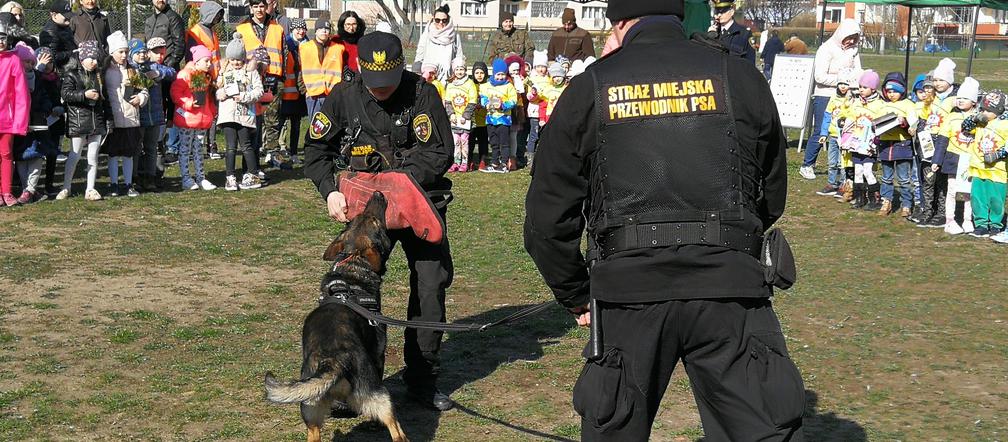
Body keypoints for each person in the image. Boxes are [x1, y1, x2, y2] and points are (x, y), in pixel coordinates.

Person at [525, 1, 802, 439]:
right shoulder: (740, 76)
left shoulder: (591, 86)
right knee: (761, 428)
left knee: (614, 426)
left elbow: (547, 216)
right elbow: (771, 191)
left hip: (628, 295)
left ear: (619, 24)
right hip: (728, 289)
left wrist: (576, 294)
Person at [303, 31, 456, 413]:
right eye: (375, 85)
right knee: (350, 294)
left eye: (388, 84)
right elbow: (316, 151)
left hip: (418, 204)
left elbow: (440, 151)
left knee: (430, 286)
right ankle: (348, 382)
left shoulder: (423, 93)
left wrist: (397, 183)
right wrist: (330, 192)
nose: (381, 91)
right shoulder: (343, 96)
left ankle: (422, 379)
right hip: (364, 214)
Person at [800, 18, 861, 181]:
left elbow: (858, 71)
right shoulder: (826, 49)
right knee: (822, 130)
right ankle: (807, 164)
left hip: (847, 97)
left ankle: (845, 166)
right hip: (825, 95)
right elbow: (819, 76)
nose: (851, 41)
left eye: (855, 38)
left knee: (846, 130)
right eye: (849, 37)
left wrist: (852, 82)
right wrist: (842, 80)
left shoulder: (853, 50)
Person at [237, 0, 288, 168]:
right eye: (256, 6)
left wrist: (283, 76)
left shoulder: (277, 28)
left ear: (266, 8)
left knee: (273, 120)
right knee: (253, 120)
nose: (259, 9)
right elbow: (237, 55)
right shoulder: (241, 28)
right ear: (251, 8)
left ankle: (272, 154)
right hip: (251, 79)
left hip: (274, 78)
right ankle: (253, 159)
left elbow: (285, 52)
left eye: (262, 6)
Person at [56, 40, 108, 202]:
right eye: (90, 58)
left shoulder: (99, 77)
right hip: (78, 121)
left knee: (93, 156)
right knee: (75, 155)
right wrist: (84, 95)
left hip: (96, 122)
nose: (93, 61)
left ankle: (90, 188)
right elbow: (66, 95)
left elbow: (104, 99)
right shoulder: (71, 75)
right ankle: (66, 186)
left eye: (96, 58)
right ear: (82, 58)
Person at [103, 31, 149, 197]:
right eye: (120, 52)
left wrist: (141, 98)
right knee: (113, 153)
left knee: (129, 154)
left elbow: (143, 90)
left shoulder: (133, 71)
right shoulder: (105, 71)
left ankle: (129, 184)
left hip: (131, 119)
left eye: (126, 52)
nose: (124, 55)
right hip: (114, 119)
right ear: (112, 52)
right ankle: (114, 184)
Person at [216, 33, 263, 191]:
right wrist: (220, 94)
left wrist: (243, 96)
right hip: (228, 114)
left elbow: (258, 92)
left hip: (244, 115)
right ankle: (230, 176)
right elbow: (218, 89)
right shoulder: (225, 73)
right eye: (233, 59)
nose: (236, 63)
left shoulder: (251, 72)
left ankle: (252, 174)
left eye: (239, 60)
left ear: (244, 59)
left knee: (246, 145)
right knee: (230, 147)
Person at [931, 77, 978, 235]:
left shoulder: (979, 119)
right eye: (959, 98)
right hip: (953, 159)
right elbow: (942, 140)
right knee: (951, 190)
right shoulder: (951, 117)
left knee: (968, 192)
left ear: (973, 101)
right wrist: (936, 160)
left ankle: (967, 219)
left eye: (965, 98)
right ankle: (949, 221)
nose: (961, 101)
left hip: (970, 161)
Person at [171, 45, 218, 191]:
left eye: (209, 61)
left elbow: (208, 99)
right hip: (188, 119)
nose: (209, 64)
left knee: (198, 149)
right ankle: (186, 177)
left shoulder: (205, 77)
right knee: (185, 149)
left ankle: (201, 177)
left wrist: (211, 112)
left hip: (201, 121)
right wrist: (189, 103)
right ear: (197, 62)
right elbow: (176, 93)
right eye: (206, 61)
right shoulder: (185, 75)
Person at [963, 92, 1007, 238]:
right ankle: (981, 224)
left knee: (996, 198)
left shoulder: (1005, 125)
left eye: (988, 111)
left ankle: (996, 224)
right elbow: (965, 127)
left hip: (997, 169)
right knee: (978, 197)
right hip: (978, 167)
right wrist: (974, 118)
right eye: (982, 109)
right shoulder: (980, 123)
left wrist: (998, 155)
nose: (985, 113)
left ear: (998, 111)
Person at [908, 76, 948, 228]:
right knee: (927, 181)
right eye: (924, 89)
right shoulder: (919, 106)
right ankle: (927, 211)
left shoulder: (943, 104)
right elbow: (915, 122)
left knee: (941, 181)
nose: (927, 92)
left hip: (941, 145)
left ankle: (941, 212)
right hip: (925, 148)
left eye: (930, 88)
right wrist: (913, 126)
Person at [876, 72, 917, 217]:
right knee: (886, 177)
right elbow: (875, 123)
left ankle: (906, 204)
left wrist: (904, 122)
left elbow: (913, 124)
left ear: (902, 91)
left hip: (902, 145)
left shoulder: (908, 105)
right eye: (889, 91)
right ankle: (886, 201)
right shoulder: (882, 105)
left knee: (904, 178)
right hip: (885, 144)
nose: (892, 94)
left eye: (895, 91)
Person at [815, 69, 855, 198]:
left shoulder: (852, 100)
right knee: (832, 162)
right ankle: (831, 184)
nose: (843, 86)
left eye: (846, 84)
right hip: (833, 135)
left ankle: (844, 185)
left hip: (845, 136)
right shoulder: (833, 99)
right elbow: (827, 116)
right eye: (840, 83)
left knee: (842, 162)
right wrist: (823, 133)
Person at [298, 19, 344, 118]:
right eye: (320, 28)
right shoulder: (305, 48)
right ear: (315, 31)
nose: (324, 31)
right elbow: (300, 70)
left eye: (327, 29)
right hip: (312, 95)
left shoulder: (339, 49)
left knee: (332, 126)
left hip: (332, 95)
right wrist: (304, 91)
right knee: (315, 128)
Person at [479, 58, 516, 173]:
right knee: (494, 143)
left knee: (504, 143)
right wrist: (487, 104)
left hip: (503, 120)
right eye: (498, 74)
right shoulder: (486, 86)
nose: (500, 77)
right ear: (494, 74)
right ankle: (495, 163)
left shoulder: (509, 86)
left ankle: (504, 164)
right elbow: (483, 98)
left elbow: (513, 101)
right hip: (491, 119)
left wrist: (503, 105)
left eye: (503, 74)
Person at [278, 19, 308, 164]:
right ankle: (274, 152)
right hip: (286, 92)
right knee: (279, 124)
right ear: (292, 30)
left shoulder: (308, 46)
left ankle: (294, 153)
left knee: (296, 126)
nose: (301, 31)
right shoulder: (287, 45)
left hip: (300, 93)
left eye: (303, 29)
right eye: (298, 29)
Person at [443, 57, 477, 172]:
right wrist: (451, 114)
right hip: (454, 119)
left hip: (464, 120)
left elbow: (473, 101)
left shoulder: (470, 84)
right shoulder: (451, 84)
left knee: (464, 141)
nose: (459, 72)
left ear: (465, 70)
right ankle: (456, 162)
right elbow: (447, 101)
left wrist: (465, 116)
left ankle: (464, 162)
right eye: (457, 69)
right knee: (455, 141)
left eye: (461, 69)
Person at [414, 4, 462, 83]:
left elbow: (459, 55)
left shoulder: (454, 35)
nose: (441, 22)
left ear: (448, 20)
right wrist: (417, 68)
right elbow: (420, 51)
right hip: (429, 75)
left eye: (444, 20)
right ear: (433, 19)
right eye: (437, 20)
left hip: (447, 77)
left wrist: (458, 71)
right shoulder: (427, 33)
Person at [144, 0, 185, 70]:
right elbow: (146, 43)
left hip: (166, 70)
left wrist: (167, 67)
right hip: (151, 68)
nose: (161, 0)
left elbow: (180, 46)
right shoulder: (149, 20)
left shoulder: (173, 18)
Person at [39, 0, 76, 70]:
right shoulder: (50, 32)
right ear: (54, 15)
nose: (69, 18)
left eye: (69, 15)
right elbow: (51, 56)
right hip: (60, 73)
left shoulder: (64, 26)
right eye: (65, 15)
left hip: (70, 68)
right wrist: (72, 53)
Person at [468, 61, 489, 170]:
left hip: (484, 120)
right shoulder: (470, 85)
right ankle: (469, 160)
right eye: (477, 73)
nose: (479, 75)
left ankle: (483, 160)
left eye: (482, 72)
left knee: (483, 142)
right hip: (472, 120)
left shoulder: (488, 85)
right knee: (470, 141)